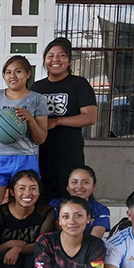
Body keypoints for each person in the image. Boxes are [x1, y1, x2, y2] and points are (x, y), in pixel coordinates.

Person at [0, 55, 49, 206]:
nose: (12, 76)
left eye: (18, 71)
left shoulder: (37, 99)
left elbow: (41, 138)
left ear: (28, 74)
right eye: (8, 72)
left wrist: (30, 119)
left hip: (25, 158)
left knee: (24, 207)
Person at [31, 37, 98, 202]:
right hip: (42, 150)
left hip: (69, 150)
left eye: (61, 55)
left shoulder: (79, 84)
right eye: (50, 55)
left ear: (68, 61)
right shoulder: (36, 87)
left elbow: (89, 117)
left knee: (71, 194)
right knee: (44, 195)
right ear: (45, 60)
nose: (55, 59)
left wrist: (56, 121)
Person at [49, 166, 110, 239]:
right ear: (67, 186)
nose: (79, 186)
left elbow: (94, 240)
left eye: (85, 182)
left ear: (94, 186)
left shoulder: (101, 210)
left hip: (89, 249)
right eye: (74, 182)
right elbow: (64, 235)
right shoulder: (55, 205)